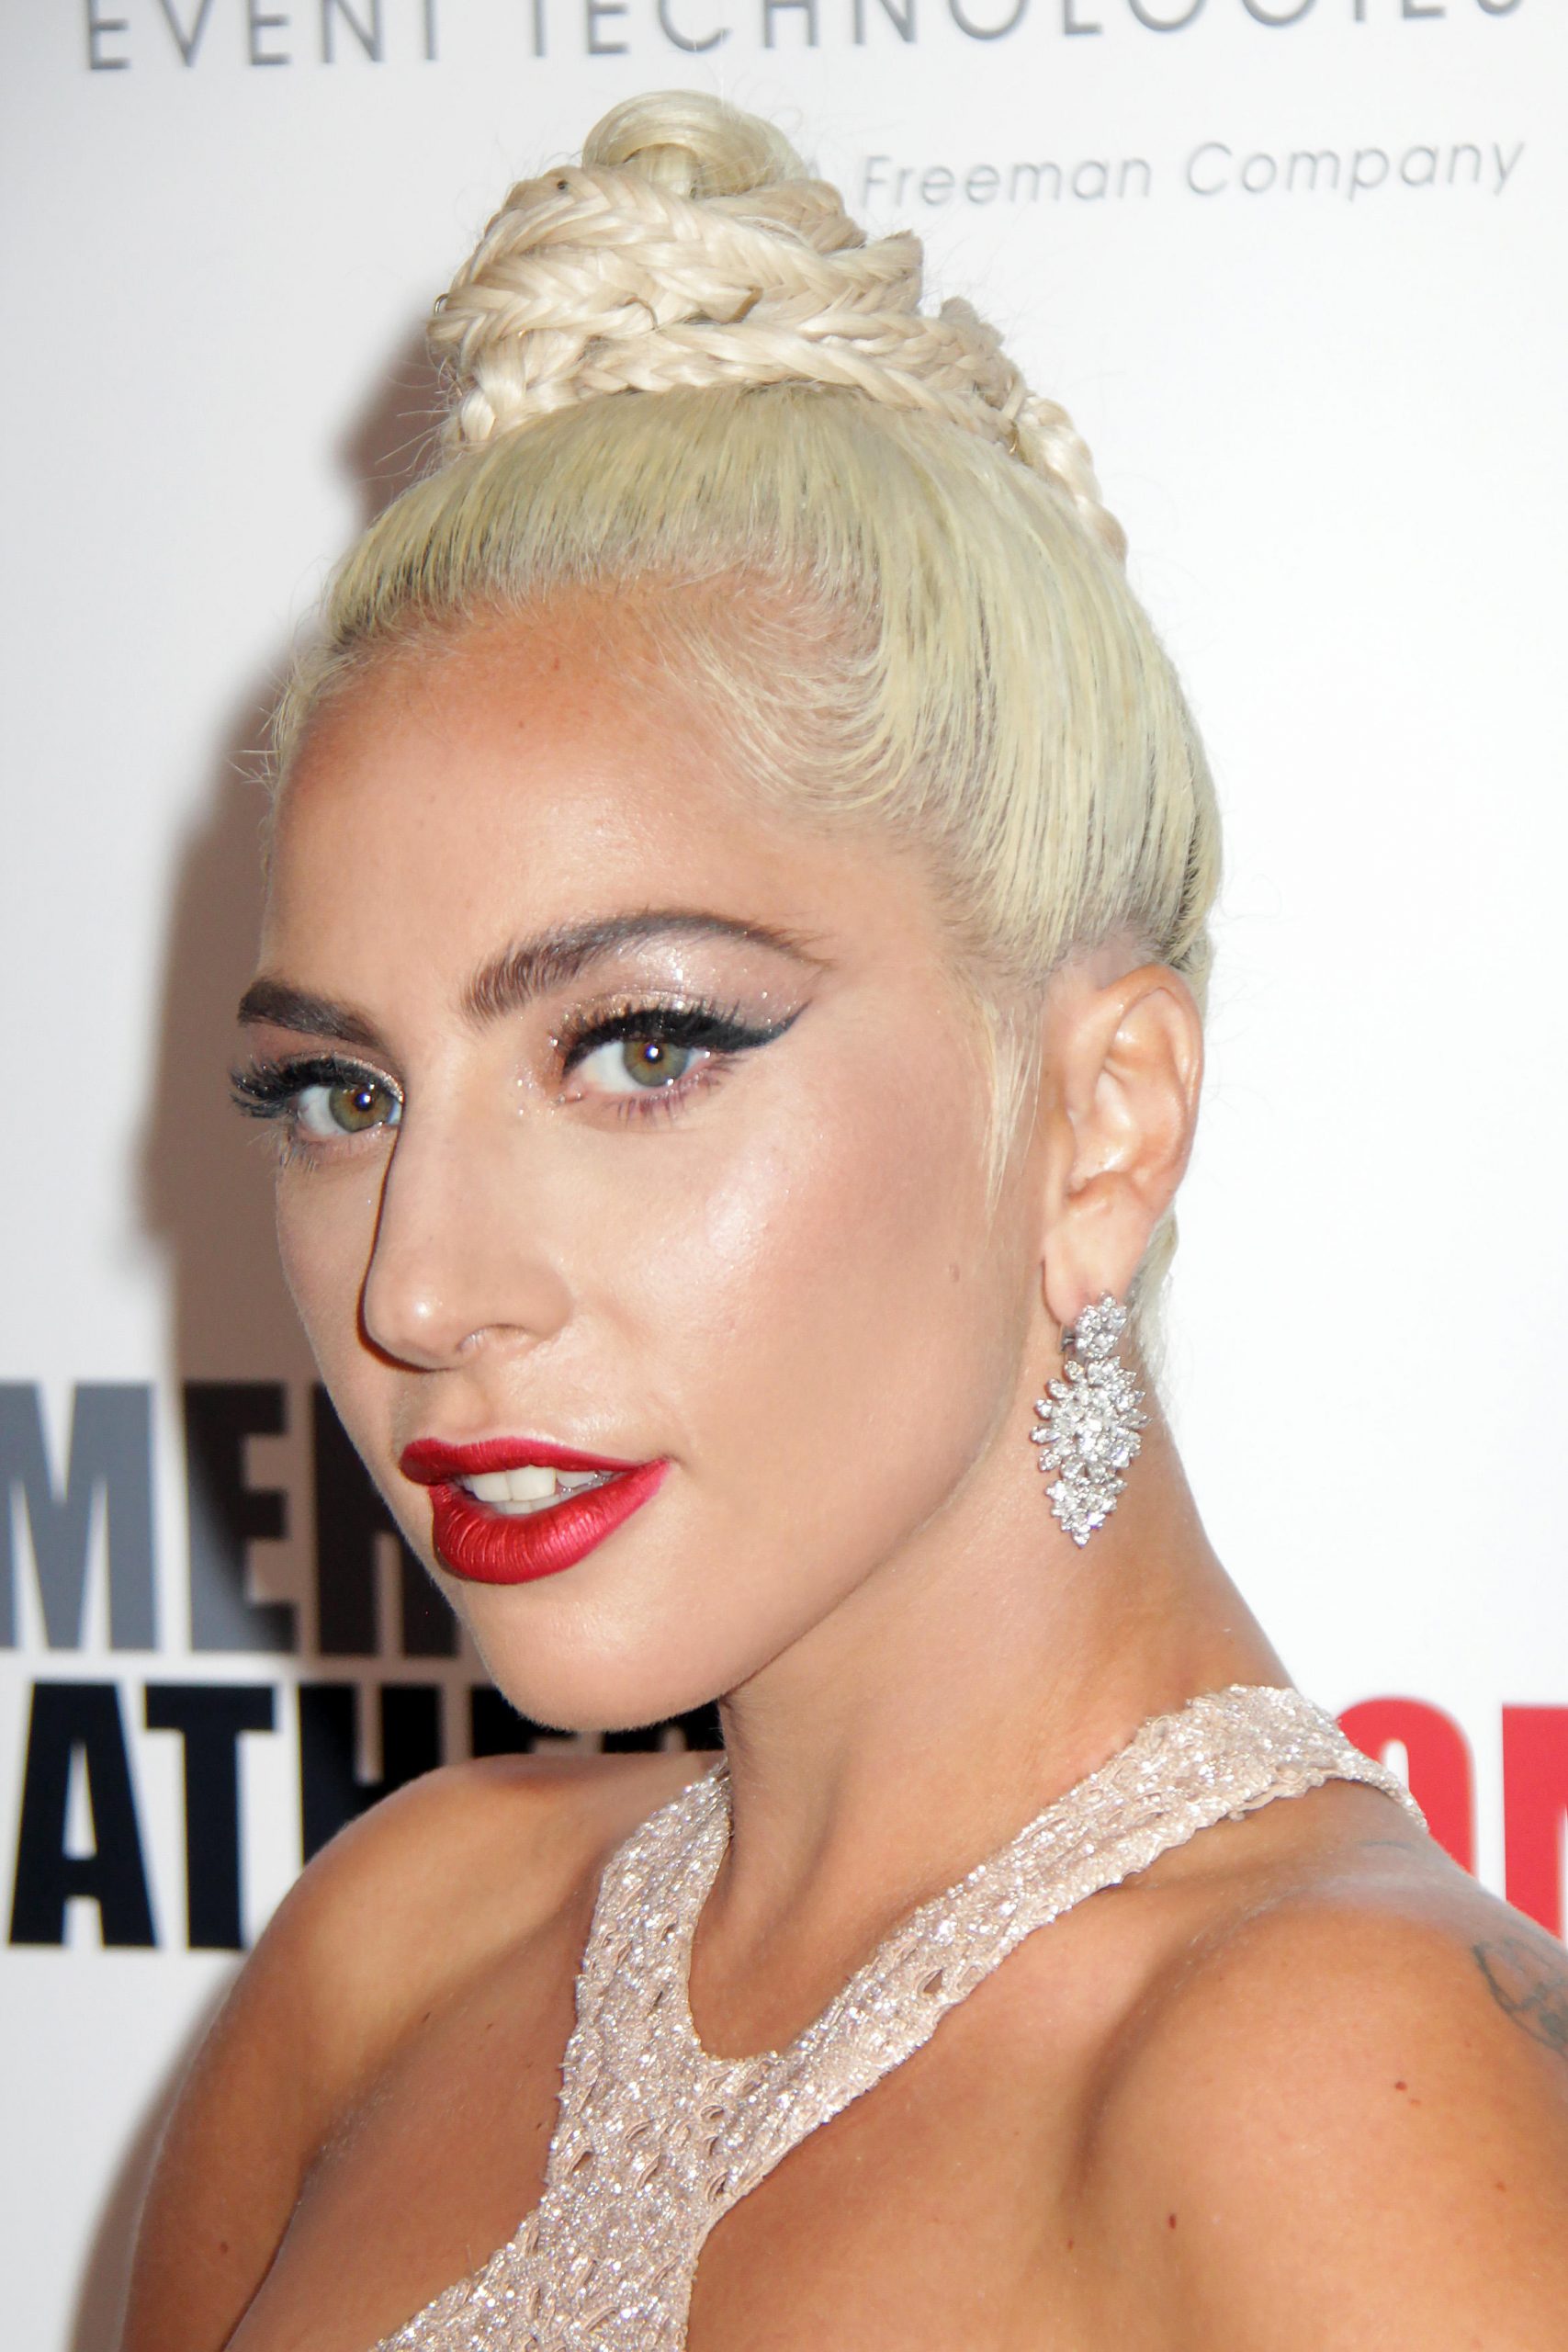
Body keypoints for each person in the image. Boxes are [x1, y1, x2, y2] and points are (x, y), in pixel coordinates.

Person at [120, 89, 1568, 2352]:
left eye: (641, 1046)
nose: (417, 1286)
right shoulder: (389, 1953)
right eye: (343, 1093)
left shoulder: (1335, 2092)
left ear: (1097, 1121)